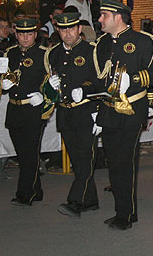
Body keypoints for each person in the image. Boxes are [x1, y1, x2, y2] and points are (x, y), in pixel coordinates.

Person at [72, 0, 153, 230]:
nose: (100, 19)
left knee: (125, 161)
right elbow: (97, 78)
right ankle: (124, 211)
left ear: (118, 17)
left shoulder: (143, 40)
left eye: (104, 15)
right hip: (108, 110)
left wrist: (132, 80)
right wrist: (82, 89)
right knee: (114, 162)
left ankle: (126, 214)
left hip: (132, 109)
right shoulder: (101, 43)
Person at [45, 12, 100, 217]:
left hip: (86, 111)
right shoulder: (53, 54)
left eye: (71, 28)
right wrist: (49, 88)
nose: (67, 33)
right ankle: (91, 200)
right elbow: (49, 84)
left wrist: (96, 109)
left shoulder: (92, 51)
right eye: (63, 29)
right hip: (65, 113)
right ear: (58, 30)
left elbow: (100, 81)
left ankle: (76, 201)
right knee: (78, 160)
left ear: (79, 29)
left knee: (86, 158)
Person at [0, 18, 48, 205]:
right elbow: (0, 79)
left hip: (33, 108)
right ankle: (37, 189)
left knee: (30, 152)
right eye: (21, 34)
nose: (25, 38)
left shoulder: (44, 54)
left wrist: (43, 95)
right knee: (22, 153)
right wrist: (2, 85)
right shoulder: (9, 53)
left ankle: (25, 193)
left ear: (35, 34)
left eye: (29, 34)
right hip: (14, 108)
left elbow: (53, 80)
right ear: (16, 34)